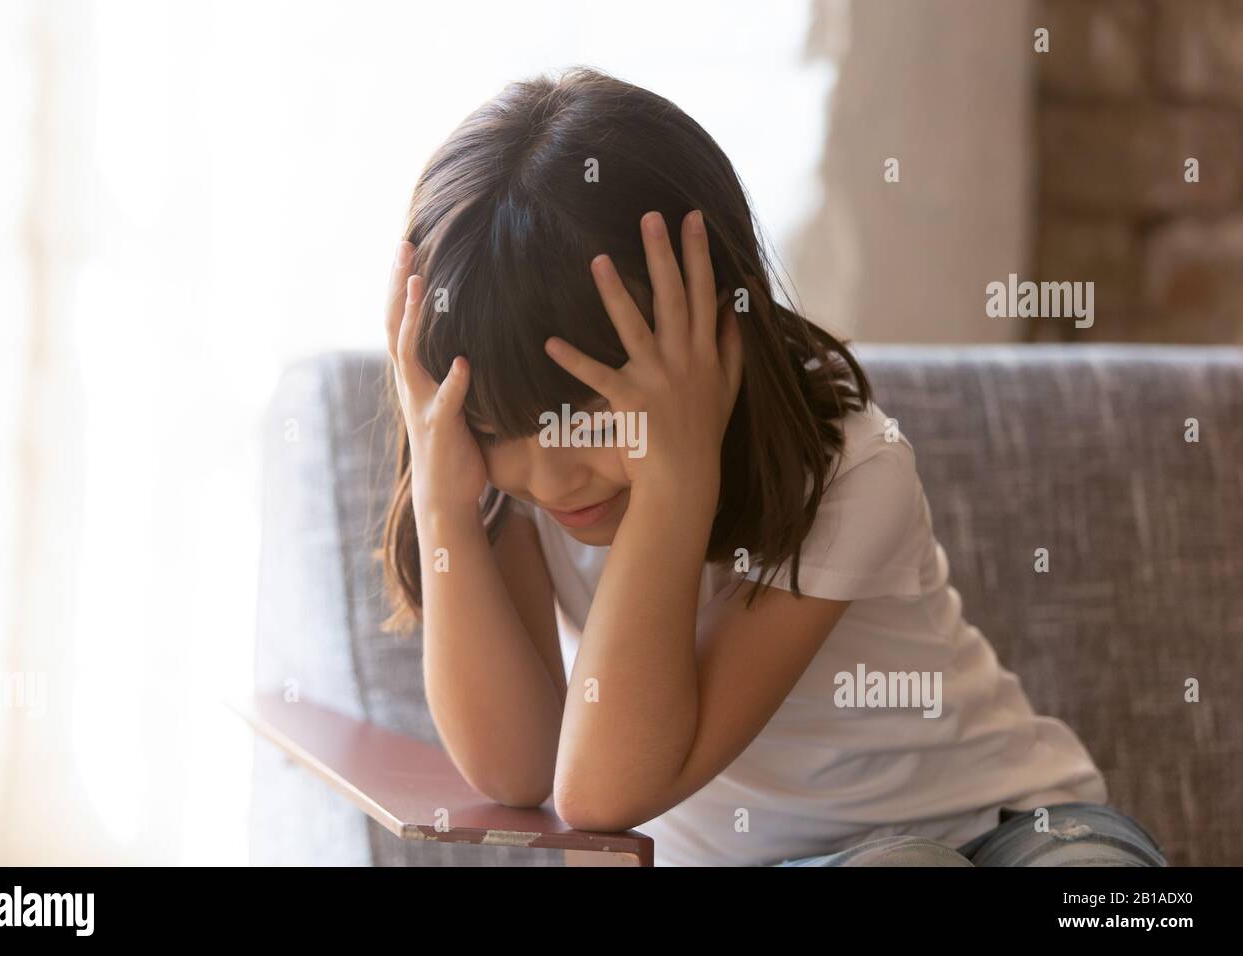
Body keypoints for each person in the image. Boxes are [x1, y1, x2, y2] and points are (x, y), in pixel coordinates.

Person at [376, 66, 1168, 868]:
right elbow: (534, 778)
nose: (550, 477)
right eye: (497, 425)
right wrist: (444, 507)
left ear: (718, 327)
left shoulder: (849, 471)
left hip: (1011, 823)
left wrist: (674, 478)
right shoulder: (503, 498)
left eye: (589, 414)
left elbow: (593, 796)